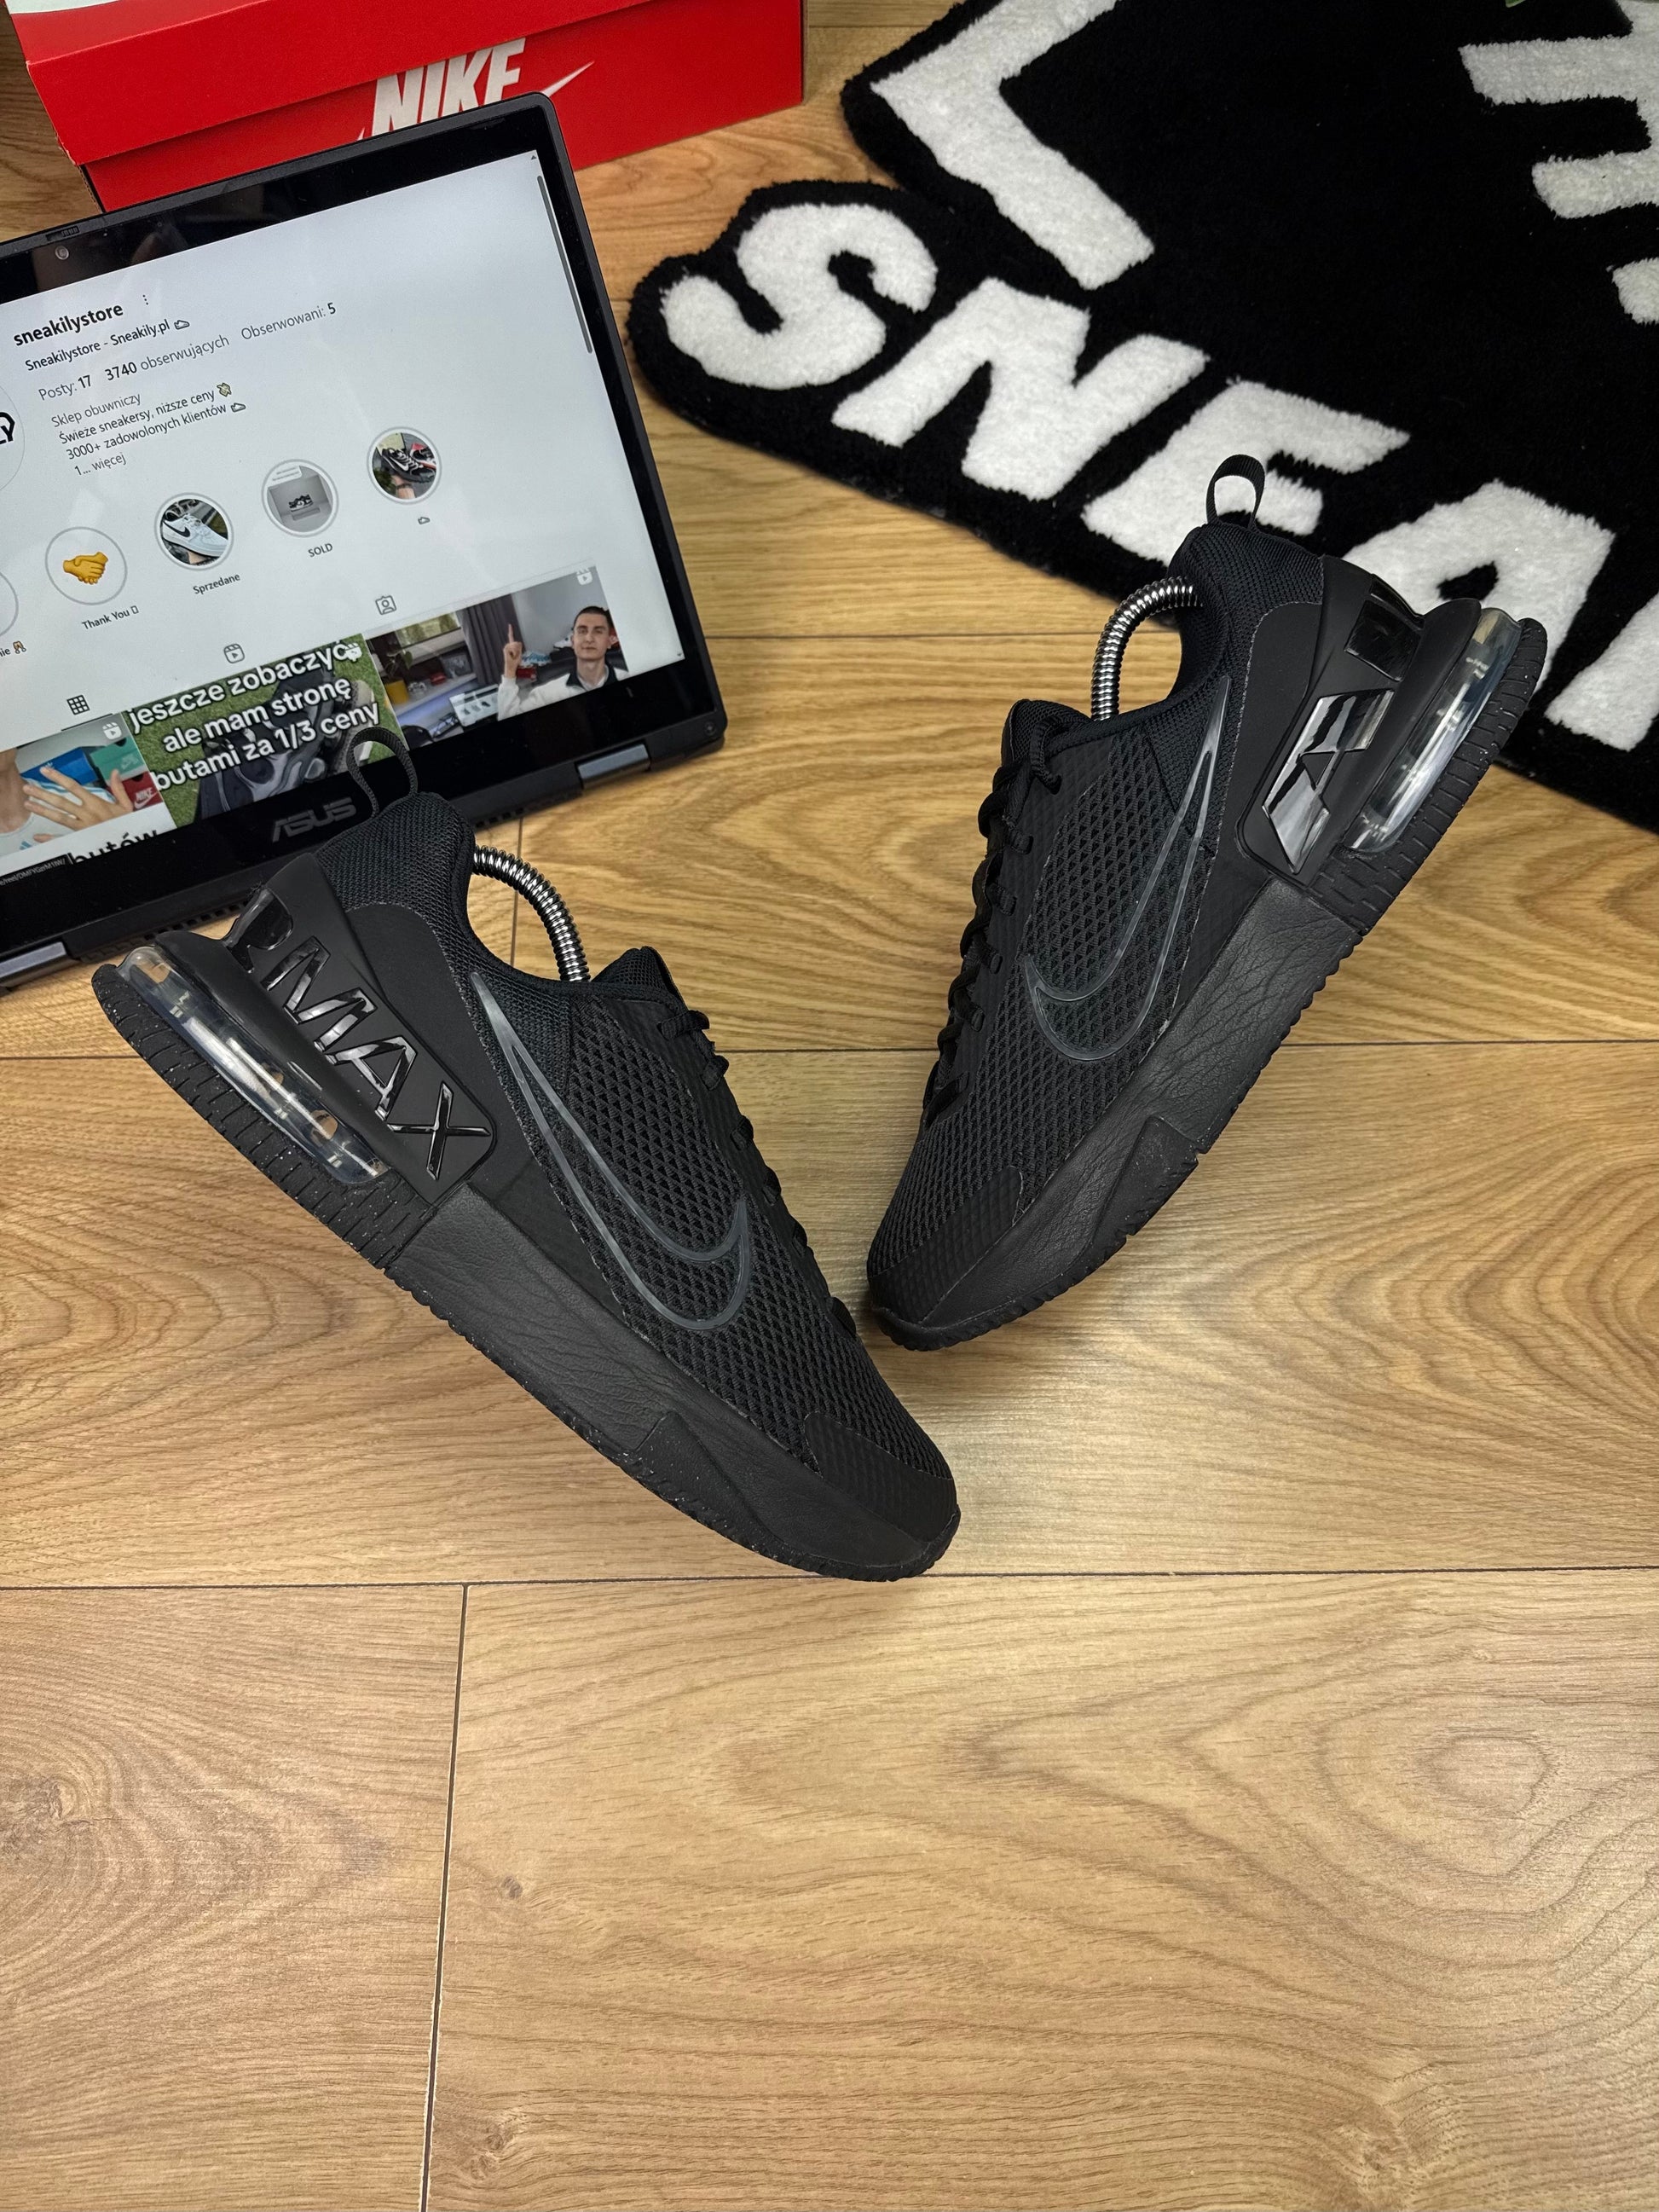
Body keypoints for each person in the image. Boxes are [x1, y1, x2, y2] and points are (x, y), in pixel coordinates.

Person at [495, 605, 620, 719]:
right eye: (582, 632)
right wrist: (510, 670)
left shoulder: (626, 674)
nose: (589, 638)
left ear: (611, 640)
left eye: (598, 632)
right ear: (572, 641)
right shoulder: (547, 694)